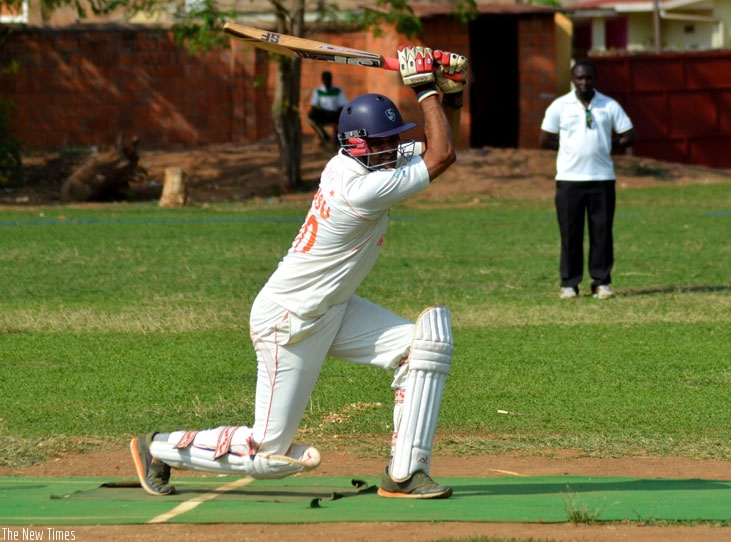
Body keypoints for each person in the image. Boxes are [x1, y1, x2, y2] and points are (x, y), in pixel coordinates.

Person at [130, 46, 468, 499]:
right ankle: (160, 448)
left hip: (334, 310)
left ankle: (405, 473)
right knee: (269, 453)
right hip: (289, 320)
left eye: (394, 141)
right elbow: (440, 157)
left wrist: (452, 95)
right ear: (359, 144)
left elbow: (434, 147)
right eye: (385, 143)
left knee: (425, 345)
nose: (394, 150)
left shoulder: (368, 160)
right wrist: (425, 88)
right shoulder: (359, 188)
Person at [539, 58, 637, 299]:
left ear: (595, 79)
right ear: (573, 79)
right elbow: (544, 139)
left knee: (602, 233)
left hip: (602, 179)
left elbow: (630, 135)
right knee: (570, 233)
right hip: (569, 180)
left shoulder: (609, 105)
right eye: (579, 78)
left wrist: (609, 145)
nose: (584, 82)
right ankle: (569, 284)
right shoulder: (560, 106)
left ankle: (601, 282)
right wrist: (568, 147)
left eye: (588, 78)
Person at [308, 71, 348, 145]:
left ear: (331, 80)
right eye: (326, 80)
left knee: (342, 116)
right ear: (322, 80)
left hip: (334, 114)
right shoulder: (318, 91)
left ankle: (337, 141)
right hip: (323, 114)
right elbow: (314, 105)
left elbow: (341, 105)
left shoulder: (338, 90)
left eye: (328, 80)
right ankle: (323, 135)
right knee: (311, 115)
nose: (327, 82)